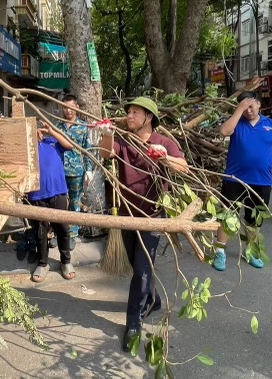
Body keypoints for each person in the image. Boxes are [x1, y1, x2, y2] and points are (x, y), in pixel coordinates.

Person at [99, 97, 188, 353]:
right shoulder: (124, 139)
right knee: (138, 263)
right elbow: (106, 154)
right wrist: (105, 134)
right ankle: (153, 298)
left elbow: (184, 168)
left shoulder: (163, 142)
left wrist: (164, 158)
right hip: (127, 214)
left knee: (141, 269)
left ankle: (133, 324)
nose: (129, 115)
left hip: (153, 214)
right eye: (128, 111)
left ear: (148, 117)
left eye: (135, 112)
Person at [213, 91, 272, 272]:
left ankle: (251, 251)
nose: (248, 110)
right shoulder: (237, 123)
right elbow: (223, 131)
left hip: (261, 182)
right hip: (234, 179)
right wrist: (238, 110)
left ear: (258, 104)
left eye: (251, 105)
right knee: (227, 216)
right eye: (244, 106)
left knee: (254, 220)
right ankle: (220, 252)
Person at [28, 128, 75, 282]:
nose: (37, 132)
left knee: (62, 228)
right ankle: (43, 264)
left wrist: (51, 131)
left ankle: (66, 261)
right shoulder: (28, 147)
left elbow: (70, 145)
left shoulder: (53, 142)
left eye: (38, 129)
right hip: (36, 194)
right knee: (41, 230)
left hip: (58, 191)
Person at [55, 94, 91, 247]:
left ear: (76, 107)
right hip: (59, 171)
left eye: (71, 108)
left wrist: (89, 170)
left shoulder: (83, 127)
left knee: (75, 203)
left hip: (76, 171)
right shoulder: (58, 126)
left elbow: (87, 150)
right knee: (59, 203)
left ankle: (72, 234)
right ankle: (60, 232)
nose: (68, 111)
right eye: (65, 107)